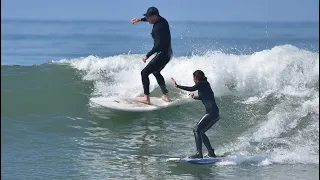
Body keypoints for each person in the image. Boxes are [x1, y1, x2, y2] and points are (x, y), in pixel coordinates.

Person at [171, 70, 220, 159]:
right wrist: (194, 97)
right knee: (201, 132)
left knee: (196, 130)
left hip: (211, 112)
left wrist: (177, 86)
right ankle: (211, 152)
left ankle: (199, 153)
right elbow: (202, 97)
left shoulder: (202, 83)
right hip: (214, 113)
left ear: (196, 77)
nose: (193, 79)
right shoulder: (205, 84)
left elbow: (192, 88)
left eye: (193, 78)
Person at [131, 7, 173, 105]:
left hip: (162, 54)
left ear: (154, 16)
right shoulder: (162, 21)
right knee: (156, 72)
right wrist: (140, 19)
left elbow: (159, 45)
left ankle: (146, 98)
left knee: (144, 73)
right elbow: (150, 19)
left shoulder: (158, 28)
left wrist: (147, 55)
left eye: (148, 17)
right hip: (167, 53)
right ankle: (165, 95)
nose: (147, 19)